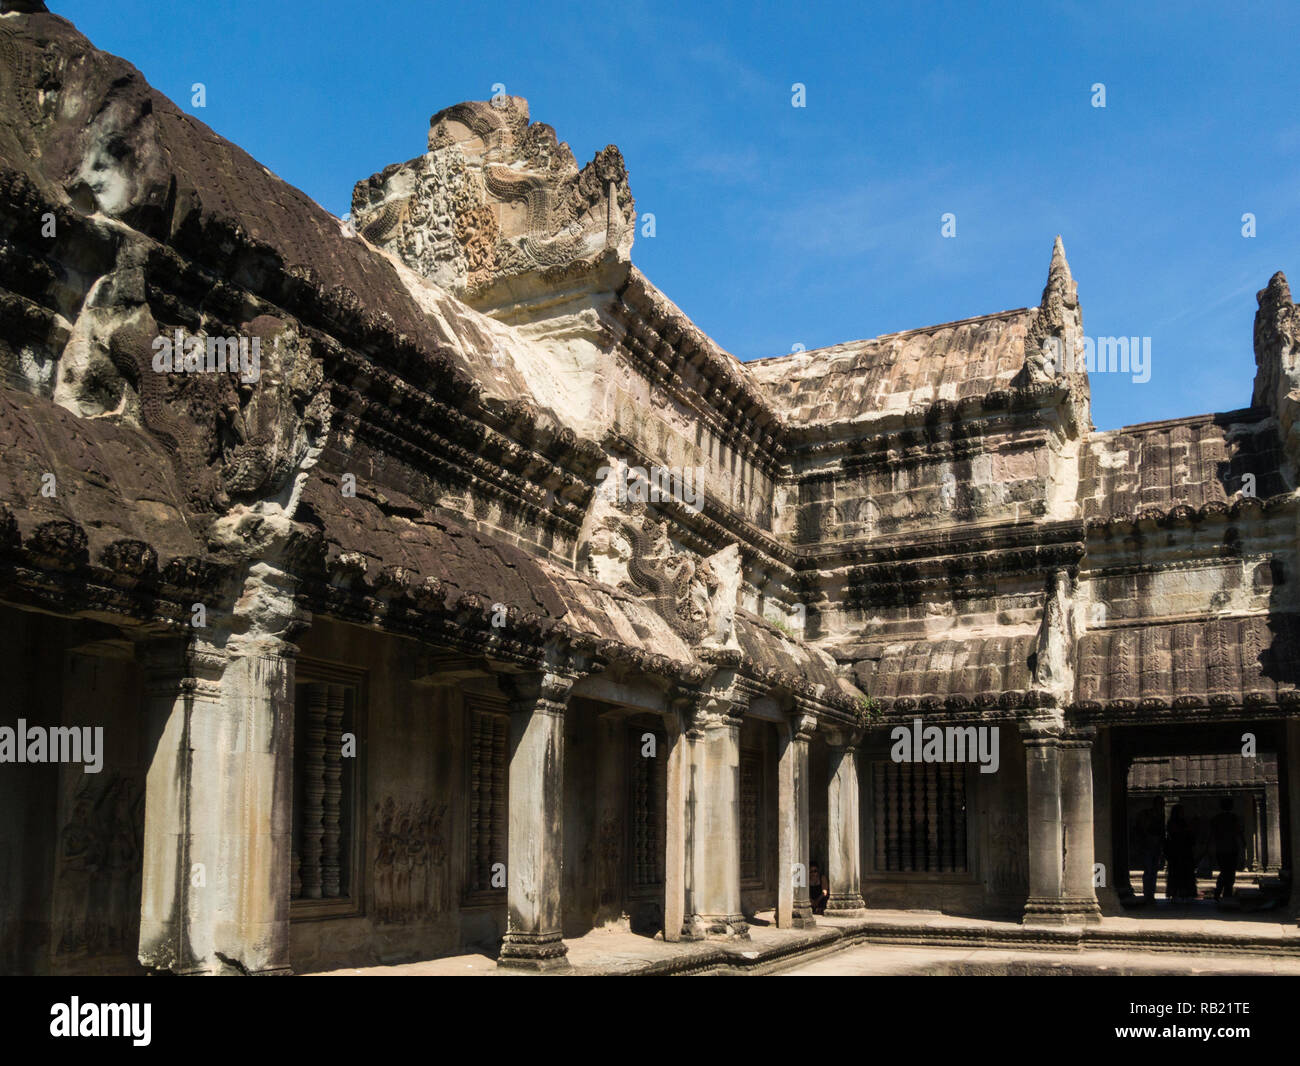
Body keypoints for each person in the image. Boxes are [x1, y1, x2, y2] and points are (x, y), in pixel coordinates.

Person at [1210, 798, 1245, 901]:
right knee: (1229, 872)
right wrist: (1242, 843)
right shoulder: (1233, 818)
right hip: (1231, 848)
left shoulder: (1216, 819)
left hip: (1220, 849)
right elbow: (1239, 831)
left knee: (1224, 871)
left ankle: (1220, 891)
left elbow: (1212, 834)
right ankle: (1226, 892)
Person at [1164, 805, 1197, 901]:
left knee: (1185, 872)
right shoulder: (1172, 823)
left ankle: (1184, 892)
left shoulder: (1183, 822)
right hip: (1176, 851)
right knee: (1175, 872)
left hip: (1185, 851)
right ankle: (1175, 892)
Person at [1133, 800, 1164, 903]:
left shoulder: (1160, 816)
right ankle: (1147, 893)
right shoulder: (1147, 815)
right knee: (1149, 871)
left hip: (1155, 847)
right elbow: (1142, 829)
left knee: (1153, 871)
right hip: (1147, 846)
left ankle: (1151, 894)